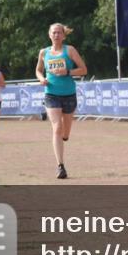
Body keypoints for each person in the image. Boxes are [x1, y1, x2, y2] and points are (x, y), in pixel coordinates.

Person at [36, 23, 87, 179]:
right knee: (57, 128)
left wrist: (67, 71)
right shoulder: (43, 52)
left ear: (63, 35)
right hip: (51, 94)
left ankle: (64, 136)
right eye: (54, 32)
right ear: (49, 34)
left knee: (65, 132)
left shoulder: (69, 50)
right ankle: (60, 166)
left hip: (69, 94)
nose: (56, 35)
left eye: (59, 32)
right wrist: (41, 79)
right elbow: (38, 70)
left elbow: (84, 70)